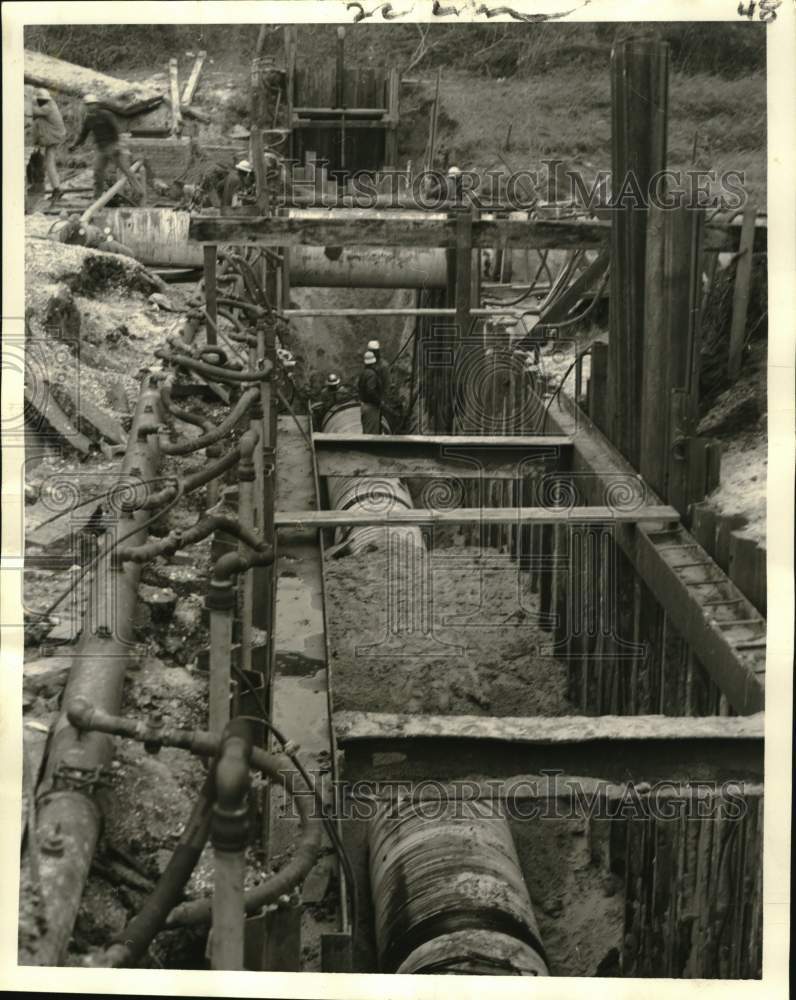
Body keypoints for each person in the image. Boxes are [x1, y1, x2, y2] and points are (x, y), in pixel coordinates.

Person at [69, 94, 143, 201]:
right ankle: (97, 197)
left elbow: (117, 130)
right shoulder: (88, 119)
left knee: (125, 170)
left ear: (97, 105)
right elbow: (83, 135)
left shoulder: (106, 115)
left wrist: (118, 146)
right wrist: (74, 145)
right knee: (98, 172)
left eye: (92, 105)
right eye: (88, 105)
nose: (91, 107)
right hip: (101, 148)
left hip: (113, 145)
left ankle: (139, 191)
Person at [30, 88, 66, 200]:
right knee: (48, 162)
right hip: (53, 137)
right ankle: (57, 189)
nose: (41, 102)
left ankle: (57, 189)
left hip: (54, 137)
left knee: (49, 163)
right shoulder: (48, 104)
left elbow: (32, 111)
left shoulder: (48, 107)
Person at [358, 351, 383, 434]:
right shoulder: (372, 374)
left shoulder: (363, 373)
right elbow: (370, 391)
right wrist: (379, 401)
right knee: (372, 435)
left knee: (366, 433)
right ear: (374, 362)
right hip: (371, 408)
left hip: (364, 406)